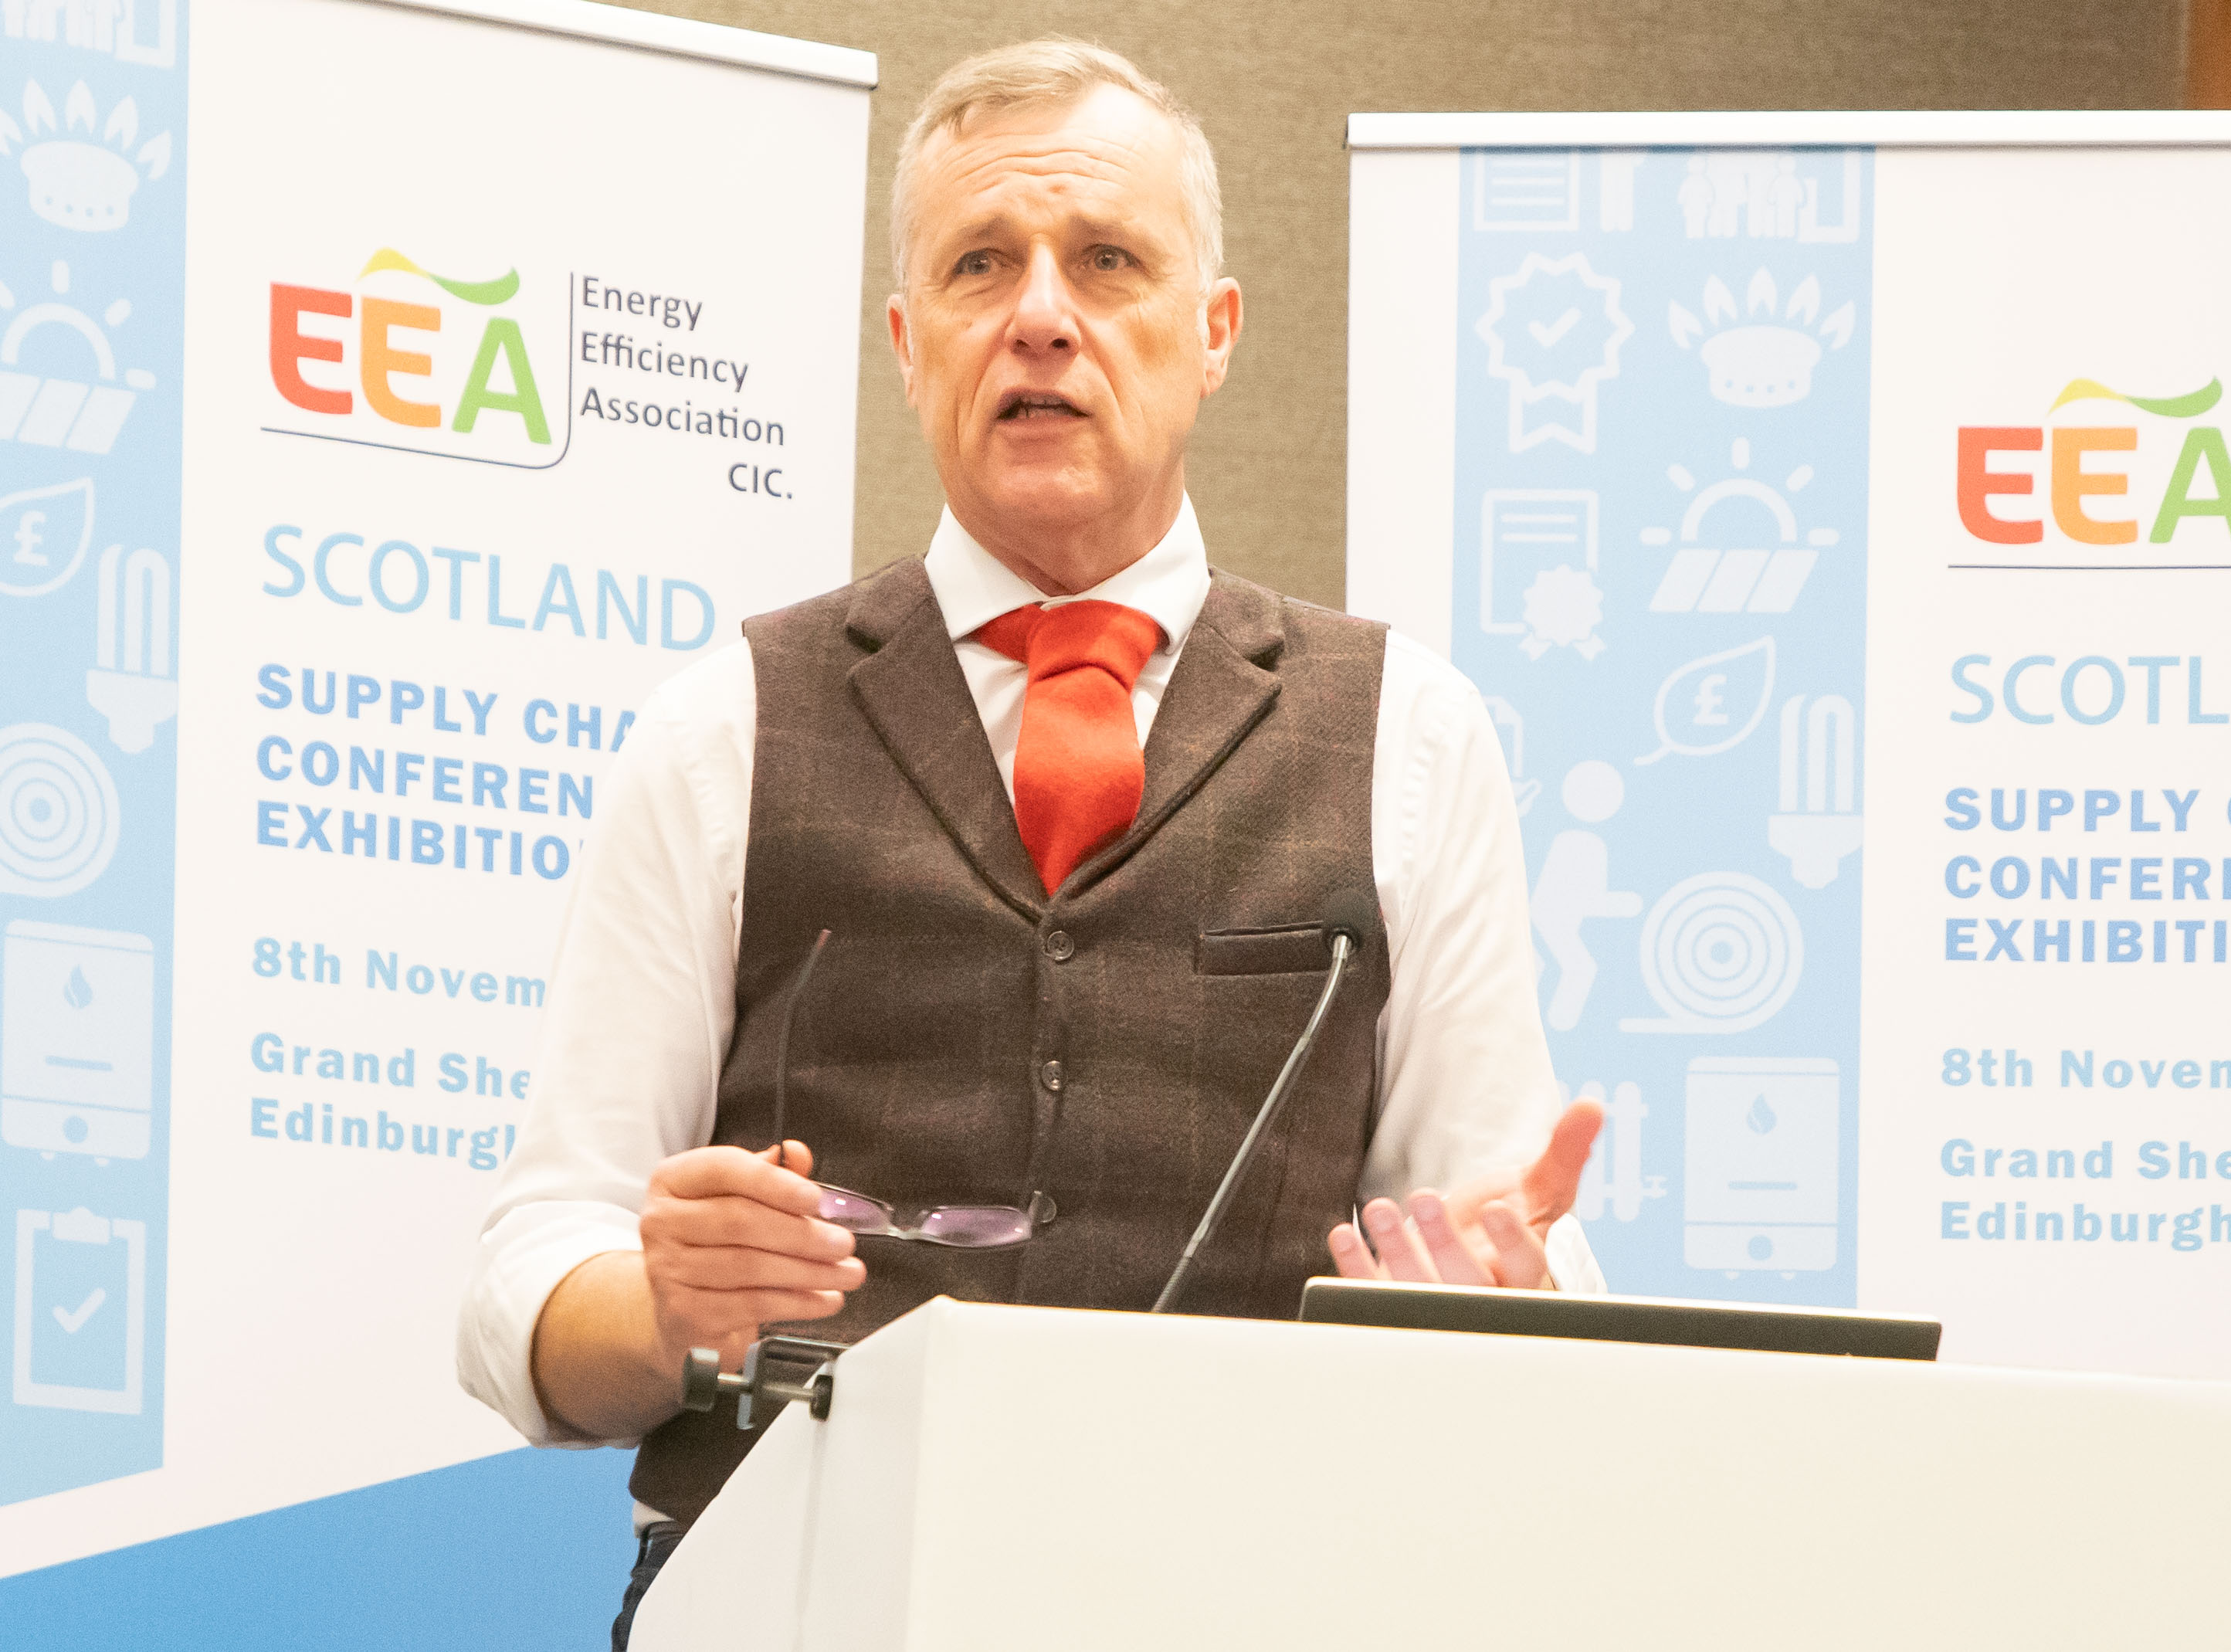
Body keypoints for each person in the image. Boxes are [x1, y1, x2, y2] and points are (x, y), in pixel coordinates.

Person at [453, 39, 1604, 1644]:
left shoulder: (1411, 731)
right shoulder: (723, 725)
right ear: (907, 341)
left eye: (1108, 261)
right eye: (980, 264)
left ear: (1214, 330)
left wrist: (1511, 1298)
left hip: (1247, 1599)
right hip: (789, 1599)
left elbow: (1498, 1245)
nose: (1043, 315)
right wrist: (659, 1308)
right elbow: (529, 1278)